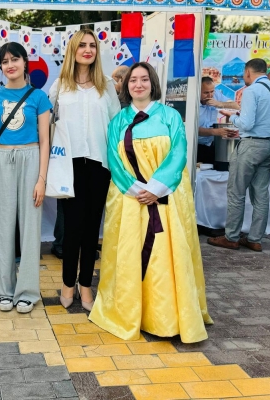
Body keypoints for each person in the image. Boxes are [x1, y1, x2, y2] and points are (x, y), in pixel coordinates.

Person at [89, 62, 212, 343]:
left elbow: (178, 155)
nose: (139, 85)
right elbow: (114, 160)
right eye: (133, 80)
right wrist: (135, 189)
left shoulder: (170, 117)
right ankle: (131, 312)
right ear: (126, 85)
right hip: (130, 201)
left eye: (144, 79)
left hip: (165, 198)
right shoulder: (118, 121)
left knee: (164, 258)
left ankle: (164, 316)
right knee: (129, 255)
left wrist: (156, 189)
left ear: (152, 83)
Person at [49, 29, 120, 311]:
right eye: (82, 45)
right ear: (73, 50)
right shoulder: (59, 86)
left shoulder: (106, 86)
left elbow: (116, 126)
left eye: (92, 45)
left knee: (92, 230)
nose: (87, 50)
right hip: (69, 165)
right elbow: (47, 125)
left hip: (100, 165)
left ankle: (86, 285)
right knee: (71, 230)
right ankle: (68, 283)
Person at [0, 42, 51, 314]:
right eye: (5, 61)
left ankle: (27, 291)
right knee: (1, 226)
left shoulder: (39, 97)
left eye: (15, 59)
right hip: (0, 159)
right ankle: (3, 289)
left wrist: (41, 179)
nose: (10, 65)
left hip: (31, 158)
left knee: (30, 226)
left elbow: (46, 140)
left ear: (25, 62)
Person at [208, 58, 270, 252]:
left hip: (251, 145)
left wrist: (232, 117)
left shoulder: (252, 91)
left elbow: (247, 124)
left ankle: (231, 237)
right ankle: (255, 239)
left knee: (236, 192)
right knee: (261, 194)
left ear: (248, 73)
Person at [197, 77, 240, 164]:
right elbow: (192, 130)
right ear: (198, 91)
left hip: (211, 145)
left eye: (212, 91)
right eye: (206, 93)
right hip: (195, 145)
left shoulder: (216, 95)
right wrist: (215, 132)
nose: (210, 96)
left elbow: (236, 106)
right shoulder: (192, 103)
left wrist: (219, 104)